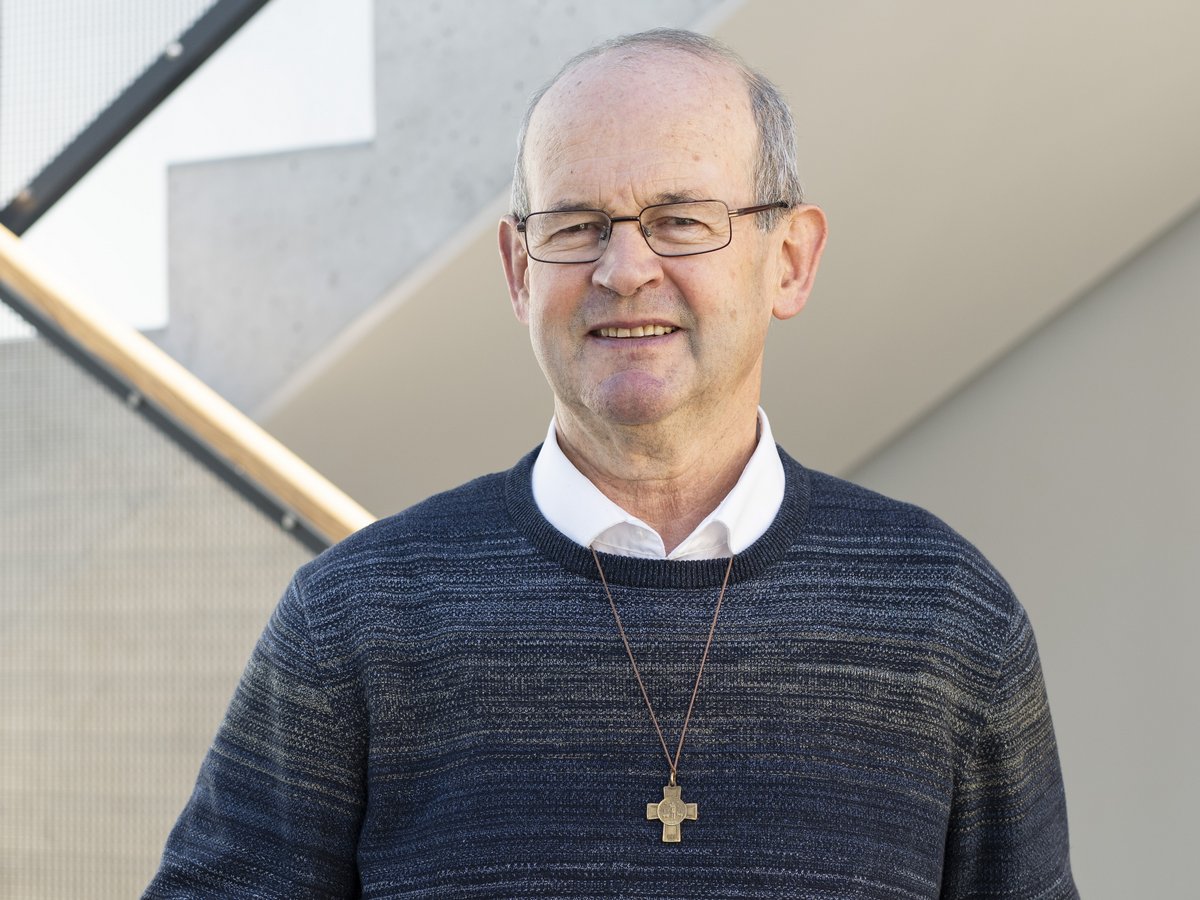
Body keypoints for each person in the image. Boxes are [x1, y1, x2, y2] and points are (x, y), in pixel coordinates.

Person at [145, 28, 1077, 898]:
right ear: (519, 270)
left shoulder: (945, 615)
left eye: (679, 220)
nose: (623, 268)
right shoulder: (358, 621)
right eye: (577, 223)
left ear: (788, 260)